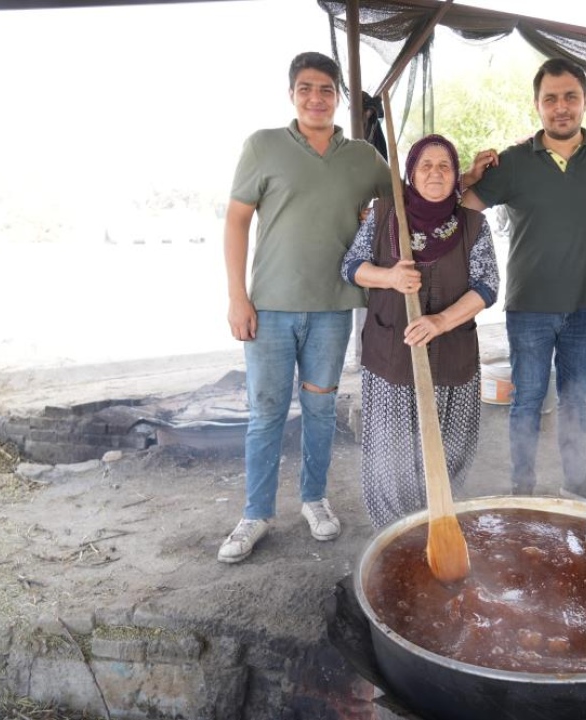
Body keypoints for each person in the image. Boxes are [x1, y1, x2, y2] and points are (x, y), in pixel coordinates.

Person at [461, 57, 586, 505]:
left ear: (584, 101)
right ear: (537, 105)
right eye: (550, 98)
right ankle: (523, 490)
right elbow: (460, 209)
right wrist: (466, 177)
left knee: (576, 402)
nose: (561, 107)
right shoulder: (511, 163)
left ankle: (575, 481)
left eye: (570, 96)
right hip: (529, 306)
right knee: (528, 402)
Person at [217, 51, 393, 563]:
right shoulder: (263, 147)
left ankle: (314, 499)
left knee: (320, 408)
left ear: (338, 97)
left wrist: (465, 176)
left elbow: (409, 201)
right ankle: (255, 513)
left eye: (326, 90)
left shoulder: (362, 156)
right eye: (306, 89)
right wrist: (236, 296)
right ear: (292, 94)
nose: (316, 98)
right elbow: (235, 222)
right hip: (268, 308)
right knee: (266, 411)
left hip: (334, 308)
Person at [342, 134, 499, 529]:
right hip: (391, 358)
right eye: (425, 165)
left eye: (444, 166)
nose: (435, 173)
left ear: (456, 177)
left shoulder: (474, 226)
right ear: (411, 173)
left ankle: (440, 522)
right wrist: (390, 277)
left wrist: (440, 322)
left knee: (449, 448)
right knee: (393, 455)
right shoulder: (382, 217)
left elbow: (487, 286)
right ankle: (396, 533)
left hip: (453, 360)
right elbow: (351, 266)